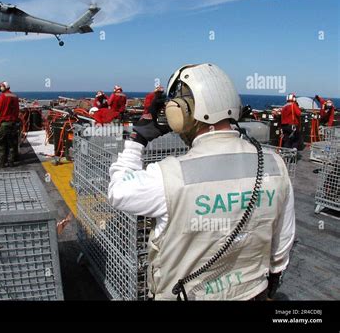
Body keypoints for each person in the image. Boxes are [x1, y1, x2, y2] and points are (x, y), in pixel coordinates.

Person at [108, 63, 295, 301]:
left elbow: (118, 191)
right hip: (253, 293)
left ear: (182, 113)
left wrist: (137, 140)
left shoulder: (167, 176)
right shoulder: (275, 165)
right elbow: (283, 242)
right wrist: (272, 283)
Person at [0, 81, 20, 167]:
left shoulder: (2, 96)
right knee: (12, 143)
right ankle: (11, 162)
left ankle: (2, 162)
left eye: (0, 86)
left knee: (1, 142)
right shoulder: (15, 96)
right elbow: (17, 110)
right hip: (13, 123)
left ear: (4, 87)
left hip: (4, 123)